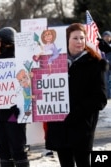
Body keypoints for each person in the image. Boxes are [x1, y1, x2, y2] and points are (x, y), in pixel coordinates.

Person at [45, 23, 107, 167]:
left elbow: (100, 99)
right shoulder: (54, 62)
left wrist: (77, 111)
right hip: (60, 125)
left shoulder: (94, 64)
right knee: (65, 163)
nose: (79, 42)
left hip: (82, 126)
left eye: (82, 38)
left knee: (83, 163)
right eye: (75, 38)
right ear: (66, 40)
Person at [0, 27, 30, 167]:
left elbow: (26, 85)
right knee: (2, 147)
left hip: (14, 113)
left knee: (17, 147)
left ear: (4, 41)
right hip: (0, 113)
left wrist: (21, 104)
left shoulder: (19, 59)